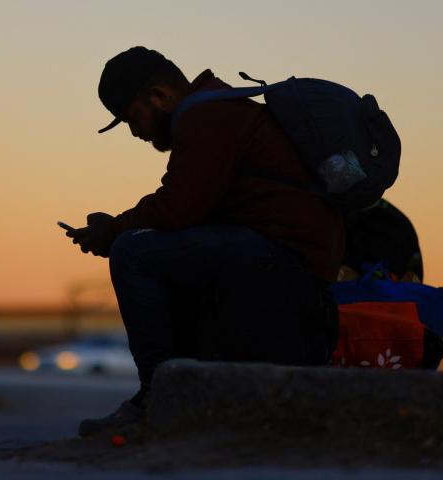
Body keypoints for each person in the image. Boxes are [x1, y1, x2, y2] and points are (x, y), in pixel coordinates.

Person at [66, 47, 344, 436]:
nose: (136, 133)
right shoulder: (216, 108)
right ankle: (184, 390)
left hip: (287, 263)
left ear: (158, 96)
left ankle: (159, 400)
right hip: (282, 257)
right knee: (159, 247)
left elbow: (176, 208)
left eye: (133, 118)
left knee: (135, 252)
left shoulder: (207, 115)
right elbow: (186, 210)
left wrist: (112, 231)